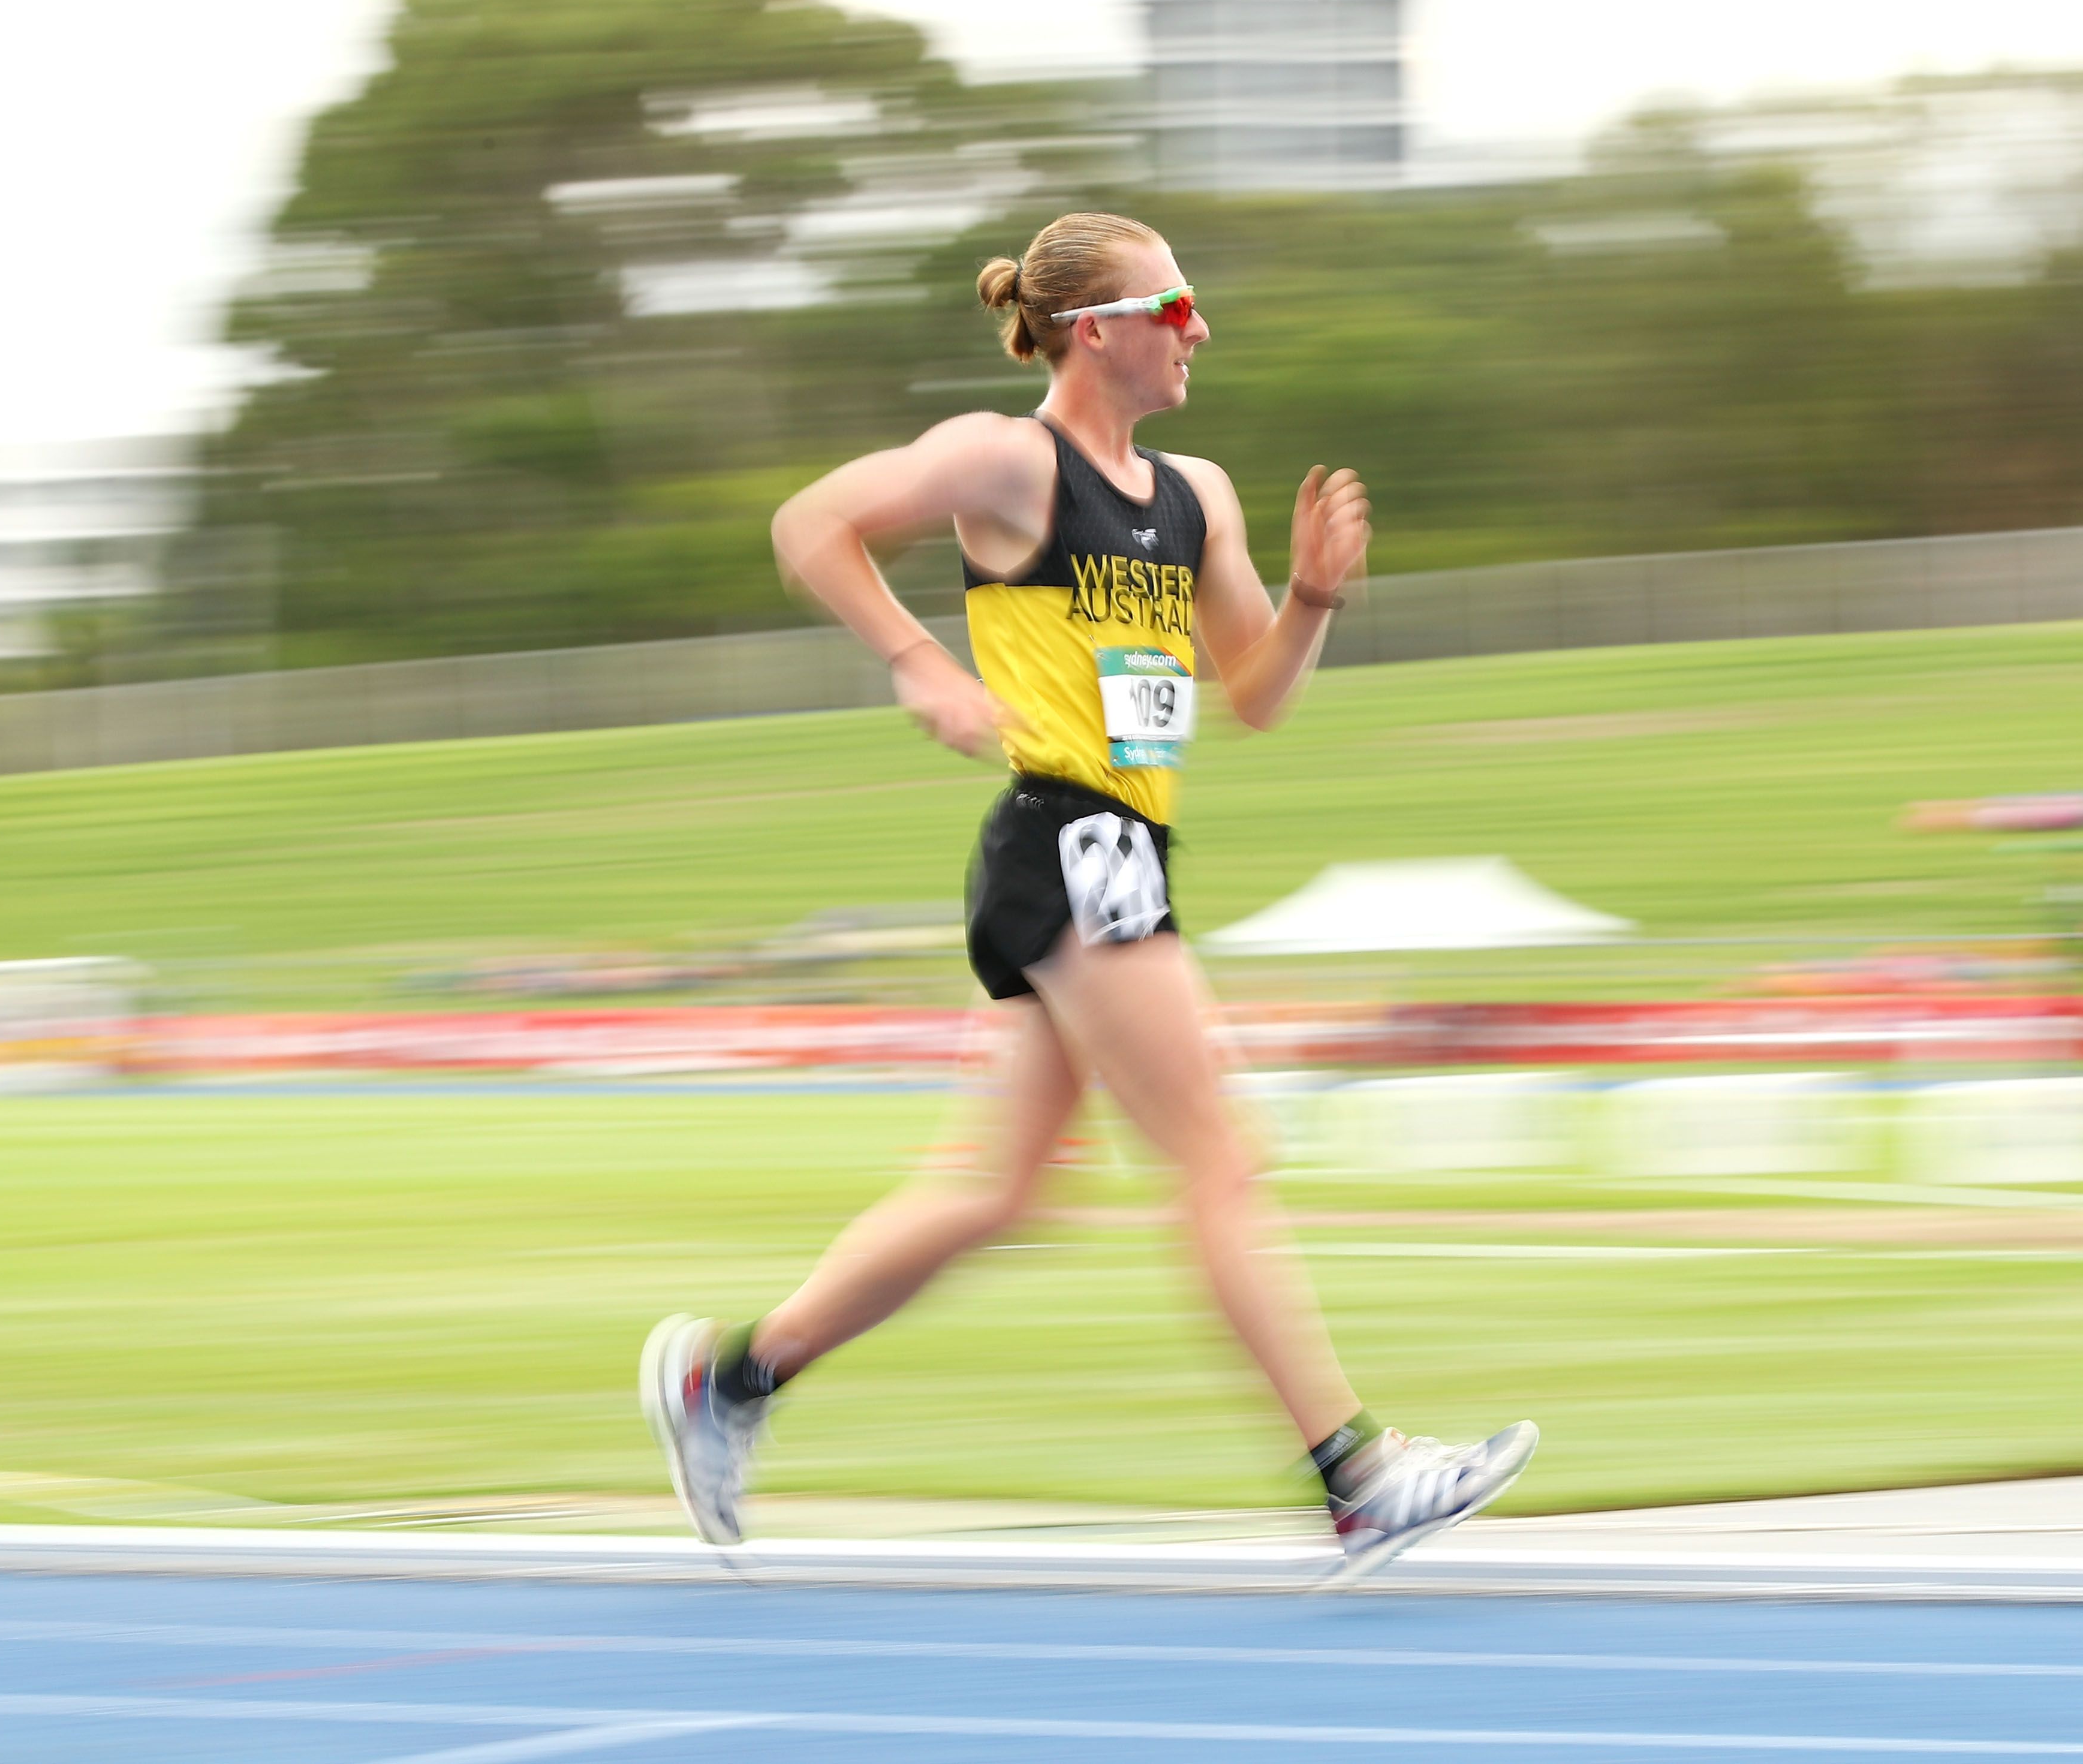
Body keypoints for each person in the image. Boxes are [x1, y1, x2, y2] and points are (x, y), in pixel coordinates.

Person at [641, 211, 1534, 1582]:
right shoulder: (1006, 462)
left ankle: (733, 1385)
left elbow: (1253, 698)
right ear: (1096, 329)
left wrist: (1307, 601)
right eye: (1174, 307)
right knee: (1219, 1159)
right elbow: (809, 523)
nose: (1198, 330)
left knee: (999, 1192)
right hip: (1067, 834)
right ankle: (1354, 1475)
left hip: (1116, 845)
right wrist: (914, 661)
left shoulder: (1198, 495)